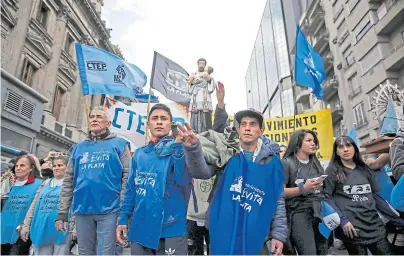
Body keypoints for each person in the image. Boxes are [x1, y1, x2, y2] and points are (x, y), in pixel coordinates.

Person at [182, 109, 287, 255]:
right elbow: (201, 173)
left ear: (261, 130)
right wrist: (193, 148)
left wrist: (278, 235)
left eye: (252, 124)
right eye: (243, 124)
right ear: (238, 129)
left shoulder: (272, 162)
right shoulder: (227, 152)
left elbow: (278, 200)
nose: (247, 128)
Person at [116, 104, 209, 255]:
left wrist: (179, 147)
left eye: (163, 119)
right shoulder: (139, 154)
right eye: (155, 118)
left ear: (170, 124)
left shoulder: (180, 148)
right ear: (148, 124)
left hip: (171, 228)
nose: (159, 122)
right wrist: (122, 218)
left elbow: (184, 180)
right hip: (140, 229)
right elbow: (131, 191)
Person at [56, 106, 131, 255]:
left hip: (110, 211)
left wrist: (123, 211)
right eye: (92, 117)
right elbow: (68, 181)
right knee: (84, 253)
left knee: (106, 253)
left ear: (108, 123)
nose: (94, 119)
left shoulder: (120, 145)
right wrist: (62, 212)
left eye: (99, 117)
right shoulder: (78, 148)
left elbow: (127, 178)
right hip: (82, 210)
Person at [323, 136, 391, 255]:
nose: (345, 149)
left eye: (348, 145)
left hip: (375, 226)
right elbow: (326, 198)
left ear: (354, 148)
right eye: (341, 147)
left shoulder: (364, 169)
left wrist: (397, 220)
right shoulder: (332, 170)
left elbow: (376, 197)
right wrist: (343, 221)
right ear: (336, 151)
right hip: (352, 230)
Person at [187, 81, 227, 255]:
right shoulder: (189, 149)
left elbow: (218, 128)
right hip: (191, 216)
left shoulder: (222, 153)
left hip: (214, 217)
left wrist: (219, 103)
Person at [282, 129, 328, 255]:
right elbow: (280, 192)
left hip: (319, 212)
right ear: (297, 144)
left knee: (322, 251)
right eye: (308, 140)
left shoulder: (315, 162)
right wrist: (303, 189)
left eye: (314, 141)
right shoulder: (286, 163)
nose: (313, 143)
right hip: (298, 214)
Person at [20, 155, 75, 255]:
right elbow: (34, 204)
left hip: (62, 230)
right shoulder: (45, 183)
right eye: (54, 166)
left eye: (60, 165)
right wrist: (26, 225)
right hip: (41, 228)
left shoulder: (72, 184)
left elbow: (76, 207)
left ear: (68, 167)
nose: (56, 168)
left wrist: (74, 229)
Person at [0, 155, 43, 255]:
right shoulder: (8, 184)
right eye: (17, 166)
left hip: (22, 230)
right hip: (4, 228)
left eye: (22, 165)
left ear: (31, 168)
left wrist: (27, 224)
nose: (18, 168)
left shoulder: (39, 184)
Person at [188, 58, 216, 134]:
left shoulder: (208, 75)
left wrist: (208, 79)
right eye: (200, 63)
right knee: (195, 119)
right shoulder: (193, 74)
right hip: (195, 100)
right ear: (197, 64)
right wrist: (193, 83)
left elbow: (212, 85)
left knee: (205, 120)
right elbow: (189, 86)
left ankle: (206, 135)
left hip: (205, 100)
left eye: (203, 64)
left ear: (205, 65)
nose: (201, 65)